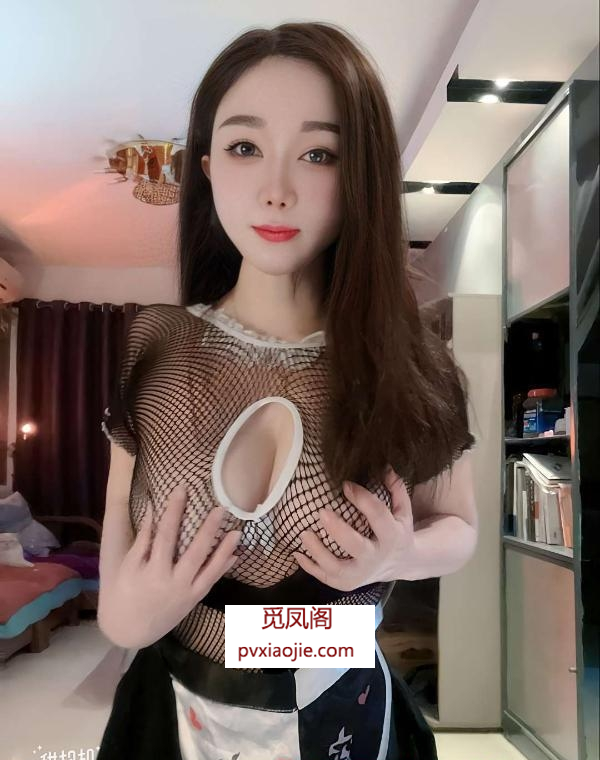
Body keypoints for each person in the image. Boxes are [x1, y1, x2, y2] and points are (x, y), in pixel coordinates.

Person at [95, 20, 478, 760]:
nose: (277, 191)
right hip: (176, 715)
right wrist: (129, 619)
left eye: (319, 153)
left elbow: (460, 528)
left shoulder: (412, 359)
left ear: (361, 173)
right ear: (207, 165)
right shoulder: (155, 343)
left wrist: (397, 558)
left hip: (347, 716)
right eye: (245, 147)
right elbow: (118, 561)